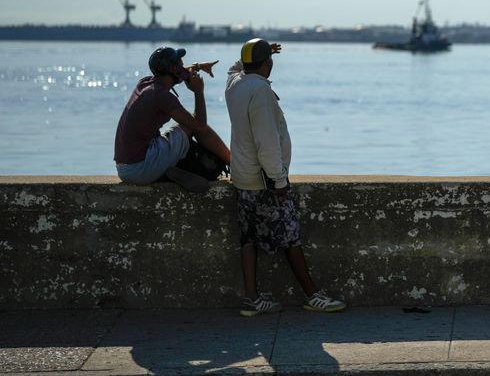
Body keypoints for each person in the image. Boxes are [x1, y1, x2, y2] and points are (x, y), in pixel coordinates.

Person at [225, 38, 345, 317]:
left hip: (242, 177)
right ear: (268, 64)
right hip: (264, 181)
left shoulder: (235, 84)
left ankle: (252, 300)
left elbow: (234, 67)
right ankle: (313, 295)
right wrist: (279, 181)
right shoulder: (260, 92)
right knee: (290, 237)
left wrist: (258, 53)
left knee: (249, 238)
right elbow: (266, 141)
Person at [114, 47, 231, 193]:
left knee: (185, 126)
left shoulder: (145, 83)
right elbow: (200, 126)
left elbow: (175, 72)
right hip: (140, 169)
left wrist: (199, 66)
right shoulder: (161, 96)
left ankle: (165, 172)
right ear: (173, 68)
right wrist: (198, 92)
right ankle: (233, 163)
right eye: (180, 64)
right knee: (190, 126)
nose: (183, 66)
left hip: (125, 169)